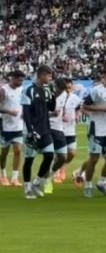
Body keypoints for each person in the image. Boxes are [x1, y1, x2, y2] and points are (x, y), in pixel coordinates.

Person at [80, 66, 106, 198]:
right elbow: (84, 106)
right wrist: (100, 108)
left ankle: (102, 182)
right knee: (94, 159)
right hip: (96, 128)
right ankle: (87, 185)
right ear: (104, 76)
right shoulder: (96, 91)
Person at [21, 65, 55, 199]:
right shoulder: (28, 90)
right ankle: (27, 188)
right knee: (29, 160)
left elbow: (52, 107)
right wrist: (30, 130)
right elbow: (26, 112)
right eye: (48, 75)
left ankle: (37, 182)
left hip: (45, 129)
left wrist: (52, 93)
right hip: (32, 130)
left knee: (49, 156)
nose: (50, 78)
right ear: (41, 75)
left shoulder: (46, 89)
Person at [0, 70, 26, 187]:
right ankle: (3, 175)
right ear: (13, 78)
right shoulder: (3, 90)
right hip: (5, 126)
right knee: (4, 153)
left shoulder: (22, 90)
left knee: (18, 151)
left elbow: (24, 104)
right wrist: (8, 111)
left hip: (18, 125)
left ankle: (14, 178)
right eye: (19, 80)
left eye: (22, 80)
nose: (20, 82)